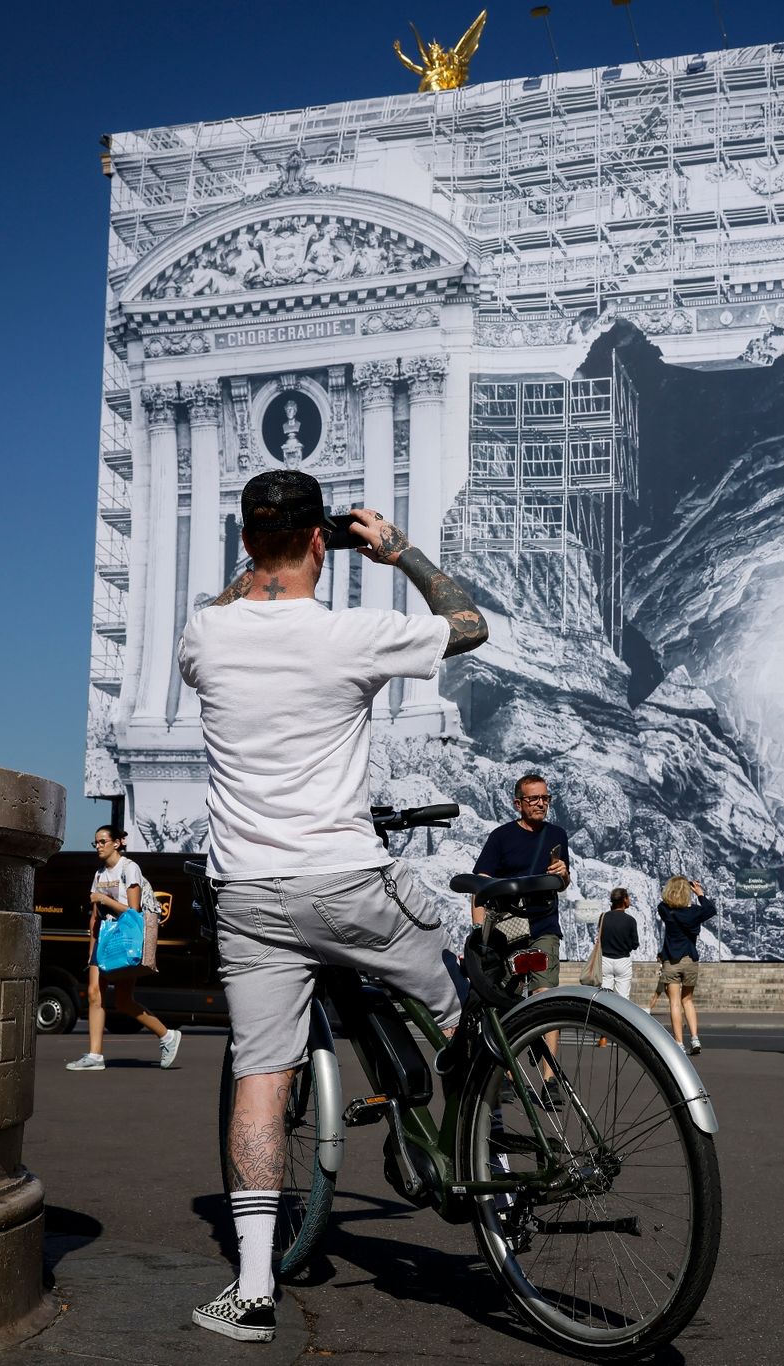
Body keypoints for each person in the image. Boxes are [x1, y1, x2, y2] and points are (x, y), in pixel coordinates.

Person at [179, 469, 487, 1342]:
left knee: (260, 1083)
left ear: (246, 543)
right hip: (347, 882)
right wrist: (397, 551)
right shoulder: (354, 633)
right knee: (456, 1005)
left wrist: (270, 560)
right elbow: (469, 625)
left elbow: (237, 598)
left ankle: (250, 1288)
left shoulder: (206, 633)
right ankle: (493, 1140)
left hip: (250, 899)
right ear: (325, 540)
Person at [471, 772, 571, 1079]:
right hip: (508, 931)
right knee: (508, 1001)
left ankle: (550, 1077)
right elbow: (480, 886)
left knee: (545, 996)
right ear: (518, 803)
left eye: (545, 798)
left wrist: (563, 873)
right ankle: (510, 1074)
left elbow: (563, 884)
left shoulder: (557, 834)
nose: (541, 804)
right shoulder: (501, 837)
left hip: (544, 926)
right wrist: (481, 934)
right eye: (534, 799)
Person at [66, 825, 180, 1072]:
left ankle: (167, 1035)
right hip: (105, 939)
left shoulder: (130, 868)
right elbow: (94, 918)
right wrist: (91, 949)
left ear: (117, 843)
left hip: (125, 938)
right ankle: (95, 1055)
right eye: (95, 842)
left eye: (103, 841)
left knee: (123, 1001)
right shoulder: (98, 875)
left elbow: (134, 912)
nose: (98, 846)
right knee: (94, 992)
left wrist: (105, 900)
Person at [657, 876, 718, 1054]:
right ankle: (695, 1038)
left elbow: (663, 903)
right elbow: (710, 909)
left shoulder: (665, 910)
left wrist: (673, 890)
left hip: (672, 960)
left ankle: (679, 1044)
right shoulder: (695, 913)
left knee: (674, 1002)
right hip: (690, 959)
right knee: (688, 1000)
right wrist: (699, 893)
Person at [586, 887, 641, 1001]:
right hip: (623, 961)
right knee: (623, 998)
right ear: (625, 899)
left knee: (605, 997)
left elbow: (600, 938)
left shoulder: (603, 917)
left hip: (605, 960)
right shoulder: (630, 920)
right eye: (628, 897)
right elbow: (635, 944)